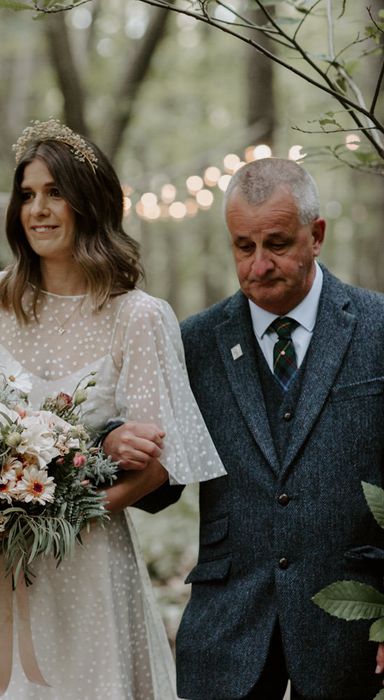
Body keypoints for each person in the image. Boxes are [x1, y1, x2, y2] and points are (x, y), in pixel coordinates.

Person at [0, 119, 226, 699]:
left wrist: (59, 523)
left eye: (55, 192)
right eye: (27, 195)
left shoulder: (138, 317)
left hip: (88, 565)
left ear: (89, 203)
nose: (38, 209)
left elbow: (159, 464)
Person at [108, 157, 384, 699]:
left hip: (351, 622)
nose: (258, 265)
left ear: (317, 235)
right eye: (243, 246)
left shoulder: (377, 329)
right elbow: (161, 487)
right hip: (228, 628)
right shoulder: (194, 343)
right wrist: (114, 444)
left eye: (277, 244)